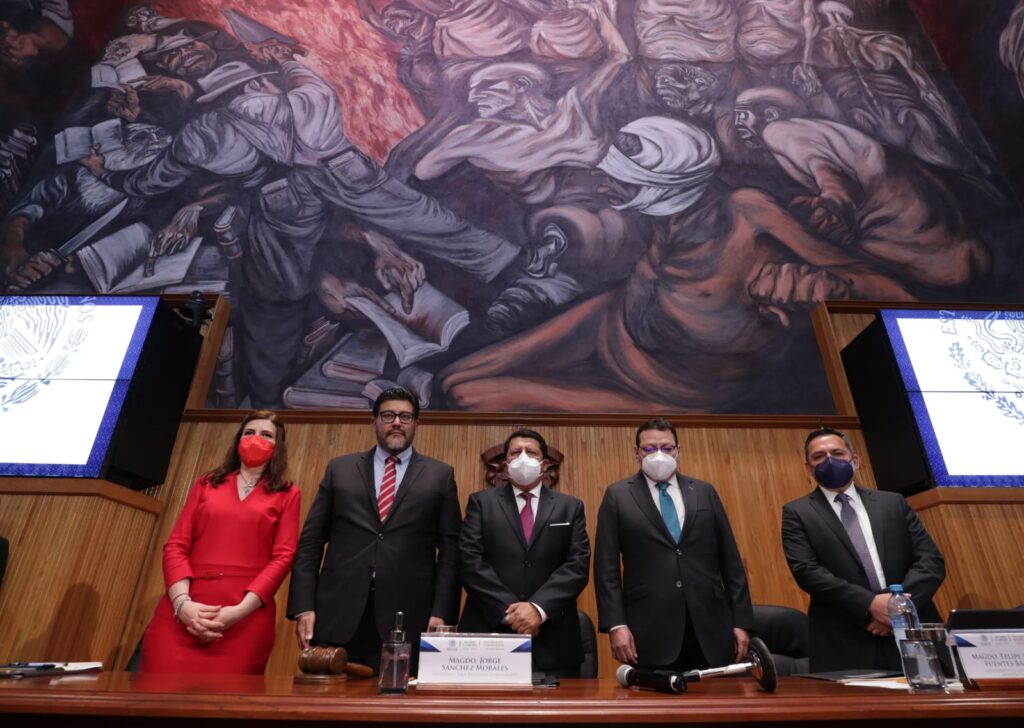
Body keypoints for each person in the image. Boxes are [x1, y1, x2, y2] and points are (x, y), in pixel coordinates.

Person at [287, 387, 462, 671]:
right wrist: (303, 606)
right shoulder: (340, 469)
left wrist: (442, 612)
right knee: (328, 696)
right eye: (388, 415)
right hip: (337, 614)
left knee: (399, 698)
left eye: (405, 417)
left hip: (408, 617)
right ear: (374, 422)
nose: (397, 422)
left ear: (416, 424)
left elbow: (451, 551)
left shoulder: (440, 475)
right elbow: (311, 542)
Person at [139, 410, 300, 674]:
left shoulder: (288, 493)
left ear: (278, 446)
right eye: (249, 432)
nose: (255, 439)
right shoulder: (206, 484)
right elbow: (176, 546)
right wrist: (182, 605)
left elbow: (283, 557)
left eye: (266, 435)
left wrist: (239, 612)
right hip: (185, 611)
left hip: (244, 617)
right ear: (238, 440)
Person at [594, 418, 754, 671]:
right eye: (649, 448)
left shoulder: (704, 491)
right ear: (636, 453)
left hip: (711, 626)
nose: (659, 454)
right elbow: (606, 569)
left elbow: (730, 560)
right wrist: (616, 625)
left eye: (667, 448)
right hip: (649, 629)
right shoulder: (618, 495)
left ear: (678, 451)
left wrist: (741, 621)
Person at [781, 427, 946, 673]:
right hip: (845, 639)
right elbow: (807, 572)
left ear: (855, 461)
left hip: (912, 630)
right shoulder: (797, 513)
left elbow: (930, 561)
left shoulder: (893, 503)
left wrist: (895, 610)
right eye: (819, 456)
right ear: (809, 469)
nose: (829, 460)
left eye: (837, 453)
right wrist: (869, 605)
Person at [458, 428, 590, 679]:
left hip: (554, 641)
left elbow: (577, 565)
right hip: (489, 636)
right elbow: (469, 561)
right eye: (515, 452)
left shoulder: (570, 507)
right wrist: (512, 614)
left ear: (545, 464)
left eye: (531, 452)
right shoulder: (481, 503)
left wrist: (538, 609)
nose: (523, 458)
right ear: (505, 464)